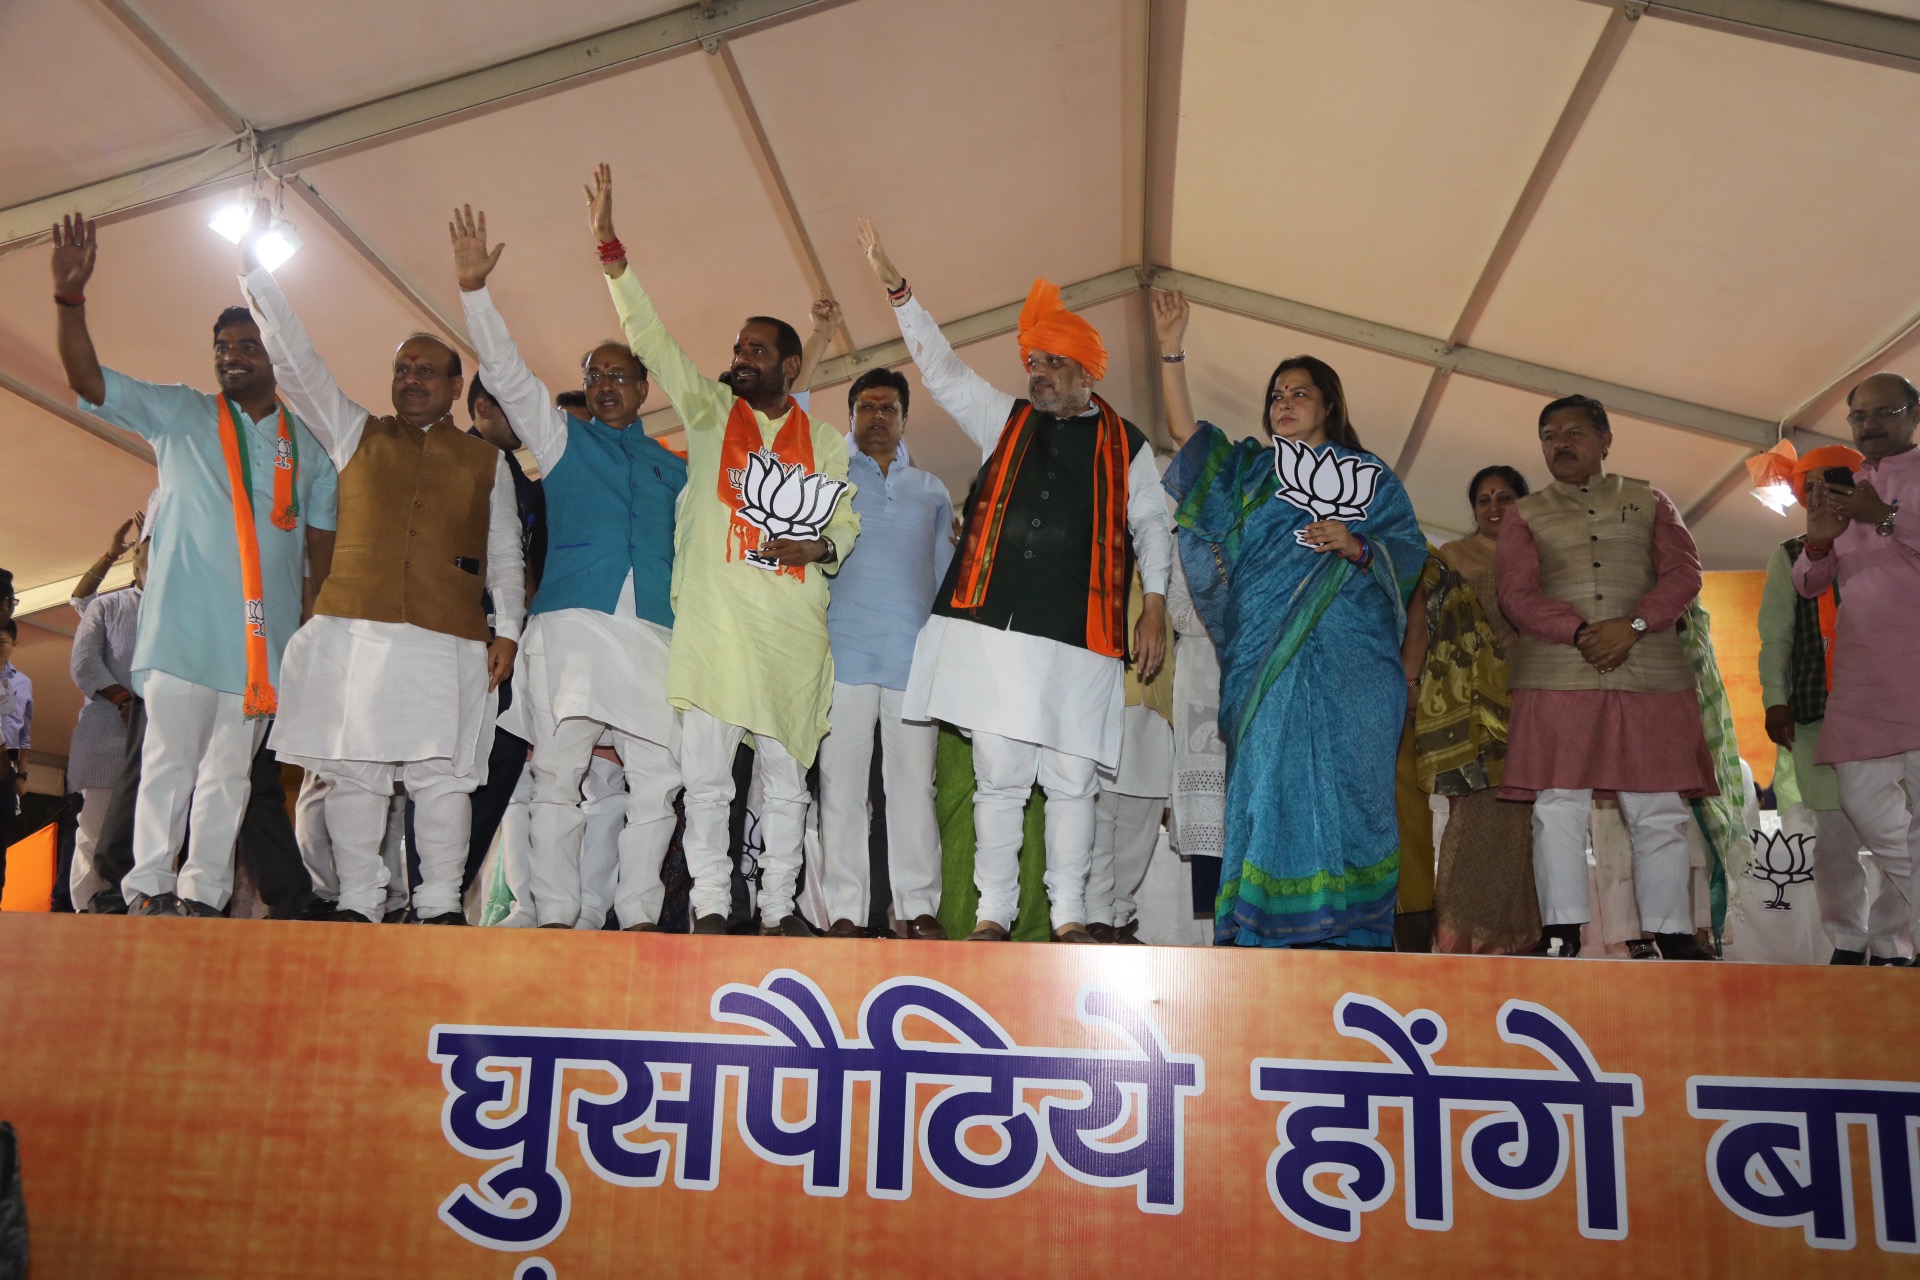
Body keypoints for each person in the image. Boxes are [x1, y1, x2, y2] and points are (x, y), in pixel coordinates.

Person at [859, 220, 1170, 944]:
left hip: (1082, 635)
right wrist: (898, 291)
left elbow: (1154, 526)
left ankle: (1068, 919)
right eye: (1031, 361)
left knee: (1071, 779)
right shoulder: (1006, 419)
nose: (1036, 373)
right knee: (999, 775)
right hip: (997, 628)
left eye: (1051, 364)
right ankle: (994, 914)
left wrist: (1153, 602)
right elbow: (939, 370)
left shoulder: (1129, 446)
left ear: (1087, 373)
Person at [591, 165, 857, 936]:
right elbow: (651, 338)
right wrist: (613, 255)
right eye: (737, 347)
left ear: (789, 366)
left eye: (755, 350)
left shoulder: (826, 444)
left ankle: (777, 912)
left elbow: (845, 527)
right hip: (712, 629)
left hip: (787, 636)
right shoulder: (709, 414)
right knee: (704, 781)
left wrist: (815, 544)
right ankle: (711, 905)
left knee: (784, 784)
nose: (739, 357)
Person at [239, 214, 525, 926]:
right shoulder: (352, 431)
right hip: (353, 634)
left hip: (448, 637)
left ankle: (435, 906)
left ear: (458, 387)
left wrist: (510, 630)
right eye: (402, 368)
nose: (411, 378)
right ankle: (362, 902)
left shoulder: (488, 461)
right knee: (354, 777)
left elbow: (507, 556)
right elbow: (297, 361)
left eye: (427, 370)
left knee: (443, 781)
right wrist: (256, 277)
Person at [54, 213, 339, 918]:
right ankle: (148, 886)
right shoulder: (180, 413)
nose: (230, 355)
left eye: (246, 344)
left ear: (274, 353)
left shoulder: (310, 449)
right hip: (180, 634)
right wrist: (69, 301)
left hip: (258, 647)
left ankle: (202, 896)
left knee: (230, 778)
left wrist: (306, 626)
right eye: (221, 346)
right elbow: (87, 379)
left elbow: (322, 547)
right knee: (166, 767)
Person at [1152, 290, 1423, 948]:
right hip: (1265, 661)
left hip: (1356, 666)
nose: (1284, 402)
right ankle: (1264, 932)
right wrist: (1171, 348)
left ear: (1328, 404)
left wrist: (1356, 544)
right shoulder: (1249, 470)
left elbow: (1410, 556)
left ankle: (1352, 935)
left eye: (1299, 392)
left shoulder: (1370, 477)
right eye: (1276, 393)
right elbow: (1186, 437)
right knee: (1267, 784)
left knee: (1352, 790)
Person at [451, 204, 686, 931]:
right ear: (586, 387)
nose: (609, 386)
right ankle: (554, 915)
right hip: (572, 630)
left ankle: (639, 914)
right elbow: (511, 375)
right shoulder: (559, 443)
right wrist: (473, 292)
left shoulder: (673, 467)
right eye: (597, 376)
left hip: (651, 633)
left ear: (645, 389)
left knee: (659, 780)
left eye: (621, 376)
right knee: (555, 774)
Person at [1497, 394, 1717, 961]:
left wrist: (1635, 625)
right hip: (1555, 672)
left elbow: (1685, 572)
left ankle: (1671, 931)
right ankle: (1560, 932)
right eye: (1549, 435)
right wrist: (1578, 632)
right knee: (1557, 804)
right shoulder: (1525, 512)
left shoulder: (1650, 499)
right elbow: (1515, 594)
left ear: (1605, 439)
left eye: (1572, 432)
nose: (1559, 443)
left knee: (1658, 806)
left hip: (1649, 671)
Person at [814, 367, 954, 939]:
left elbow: (946, 585)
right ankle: (846, 912)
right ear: (849, 415)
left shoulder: (933, 491)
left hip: (912, 664)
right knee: (840, 789)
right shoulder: (825, 477)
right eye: (866, 407)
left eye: (888, 408)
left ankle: (916, 909)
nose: (877, 417)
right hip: (839, 659)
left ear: (904, 419)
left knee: (913, 790)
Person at [1796, 372, 1920, 964]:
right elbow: (1807, 583)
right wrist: (1818, 541)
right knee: (1865, 809)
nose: (1869, 425)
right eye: (1858, 416)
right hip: (1863, 681)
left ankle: (1904, 944)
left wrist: (1888, 517)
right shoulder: (1846, 488)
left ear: (1914, 414)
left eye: (1884, 412)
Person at [1756, 445, 1894, 964]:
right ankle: (1848, 941)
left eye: (1832, 482)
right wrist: (1775, 701)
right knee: (1834, 841)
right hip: (1818, 715)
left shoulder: (1890, 541)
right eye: (1809, 486)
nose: (1821, 493)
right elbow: (1776, 637)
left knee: (1897, 836)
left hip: (1890, 716)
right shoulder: (1791, 554)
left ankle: (1892, 942)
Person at [1422, 466, 1542, 955]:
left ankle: (1515, 943)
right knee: (1471, 819)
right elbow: (1435, 635)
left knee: (1525, 824)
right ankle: (1458, 940)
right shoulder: (1452, 558)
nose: (1493, 508)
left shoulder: (1541, 555)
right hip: (1475, 712)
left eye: (1505, 498)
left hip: (1534, 700)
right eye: (1484, 500)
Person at [1084, 570, 1176, 943]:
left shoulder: (1166, 527)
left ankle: (1117, 916)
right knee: (1099, 809)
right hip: (1101, 681)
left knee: (1145, 806)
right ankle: (1095, 916)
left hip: (1159, 688)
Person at [66, 519, 146, 910]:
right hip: (108, 734)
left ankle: (134, 905)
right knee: (96, 828)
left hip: (159, 737)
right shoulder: (107, 606)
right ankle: (87, 907)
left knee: (147, 833)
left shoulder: (182, 611)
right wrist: (123, 699)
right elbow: (83, 664)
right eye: (146, 551)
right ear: (135, 562)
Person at [0, 620, 30, 897]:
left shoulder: (21, 682)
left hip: (4, 771)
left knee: (2, 842)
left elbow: (24, 733)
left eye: (3, 641)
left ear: (14, 645)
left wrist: (22, 774)